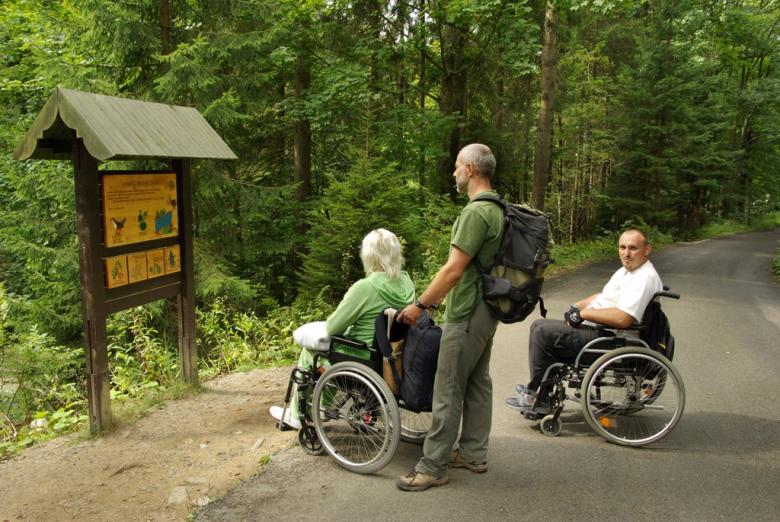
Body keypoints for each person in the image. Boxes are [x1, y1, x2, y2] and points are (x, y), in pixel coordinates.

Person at [395, 143, 503, 492]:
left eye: (457, 166)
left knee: (448, 387)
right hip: (488, 311)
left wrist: (421, 305)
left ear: (471, 169)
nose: (454, 172)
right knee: (476, 382)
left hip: (467, 311)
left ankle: (433, 465)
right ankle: (473, 453)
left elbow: (453, 270)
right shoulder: (499, 209)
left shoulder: (475, 213)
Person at [269, 228, 415, 428]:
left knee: (312, 352)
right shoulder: (406, 282)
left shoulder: (365, 288)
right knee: (332, 350)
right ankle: (322, 407)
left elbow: (333, 327)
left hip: (363, 358)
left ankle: (297, 414)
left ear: (368, 255)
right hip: (391, 357)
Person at [506, 228, 663, 413]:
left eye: (633, 248)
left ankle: (537, 396)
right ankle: (542, 392)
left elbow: (623, 318)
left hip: (614, 341)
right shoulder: (629, 271)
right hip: (604, 332)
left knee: (544, 333)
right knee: (539, 325)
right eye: (622, 247)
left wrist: (583, 315)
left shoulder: (644, 278)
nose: (626, 253)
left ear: (647, 249)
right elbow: (604, 296)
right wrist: (577, 306)